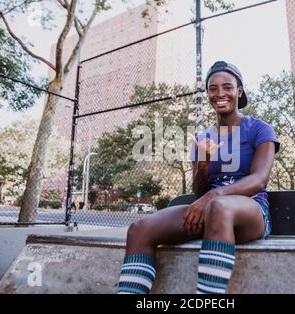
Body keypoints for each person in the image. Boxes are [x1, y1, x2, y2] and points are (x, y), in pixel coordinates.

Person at [117, 61, 280, 294]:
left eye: (227, 87)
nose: (220, 93)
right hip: (210, 208)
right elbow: (200, 191)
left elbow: (259, 180)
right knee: (139, 229)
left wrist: (214, 195)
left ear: (239, 92)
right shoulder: (203, 138)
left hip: (252, 211)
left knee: (219, 206)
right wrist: (202, 165)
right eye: (213, 88)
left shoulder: (259, 129)